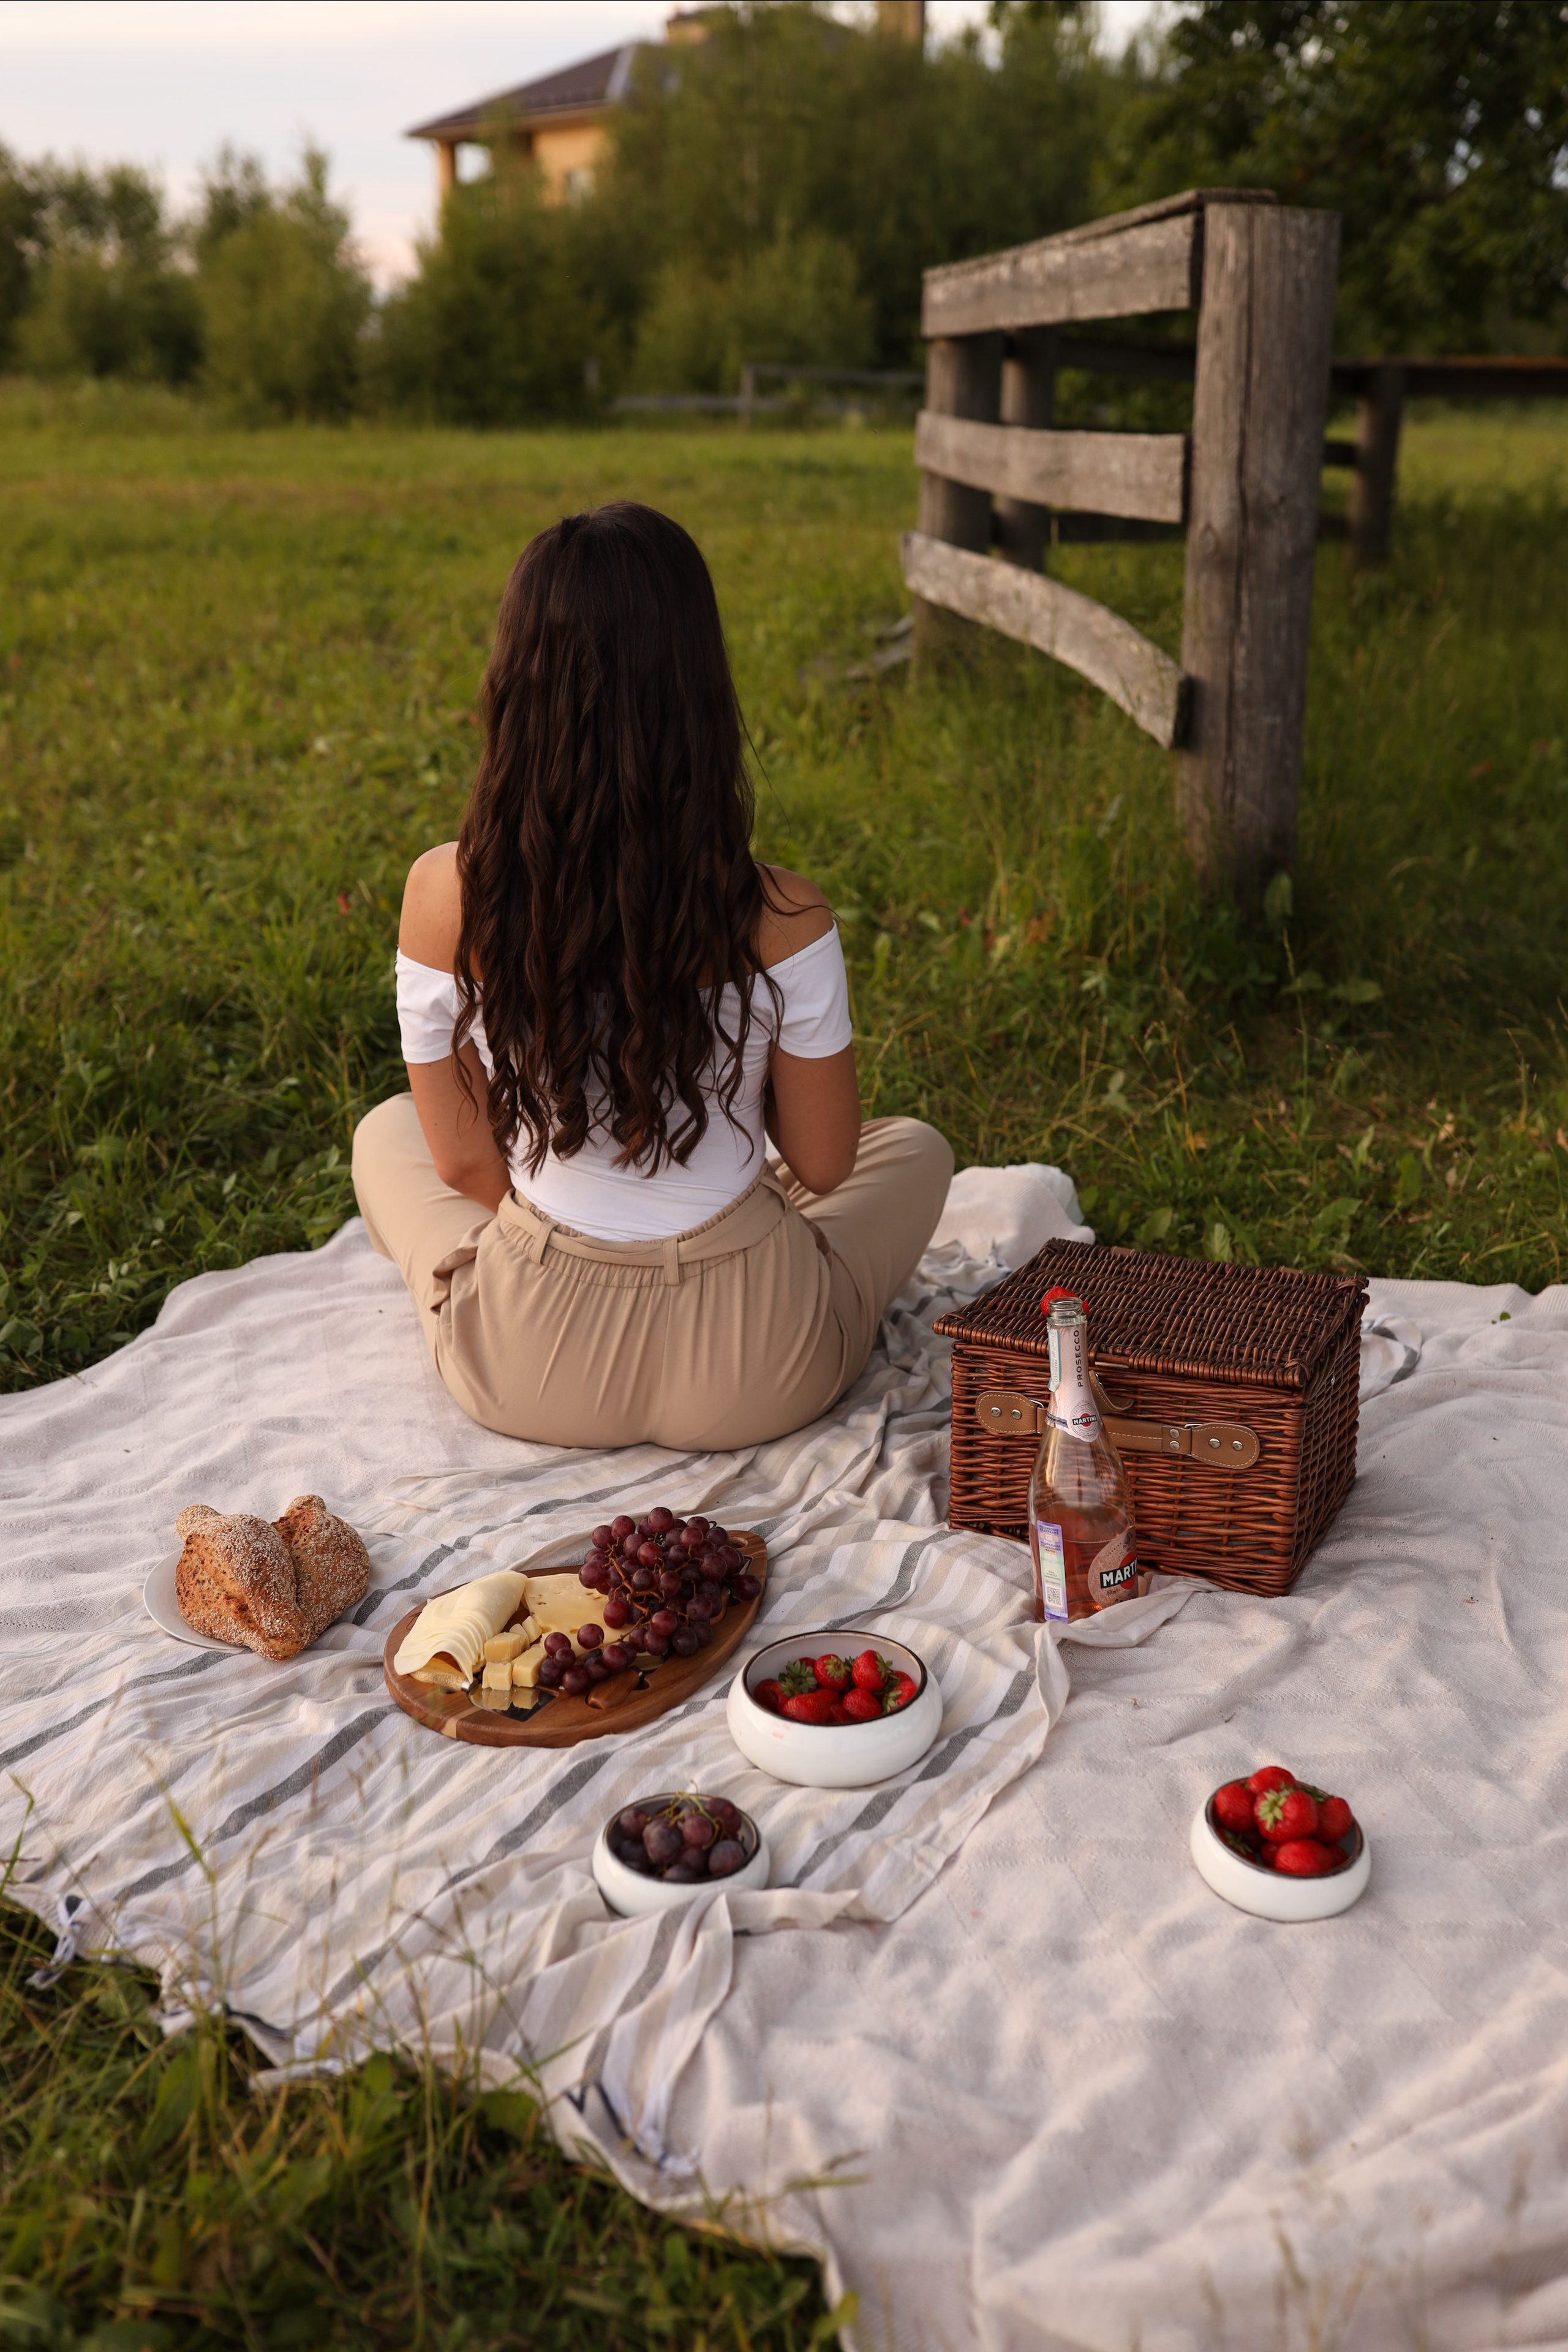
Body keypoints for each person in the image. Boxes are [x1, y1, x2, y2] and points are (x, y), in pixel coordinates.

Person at [352, 502, 952, 1449]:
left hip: (530, 1369)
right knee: (915, 1149)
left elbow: (467, 1165)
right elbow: (827, 1165)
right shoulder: (786, 916)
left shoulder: (445, 893)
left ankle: (503, 1266)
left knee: (388, 1134)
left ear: (515, 686)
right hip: (759, 1372)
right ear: (700, 689)